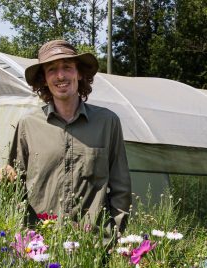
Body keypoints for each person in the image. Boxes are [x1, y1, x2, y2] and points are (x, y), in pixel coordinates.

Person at [7, 39, 131, 237]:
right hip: (41, 244)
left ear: (79, 73)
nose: (61, 75)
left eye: (67, 67)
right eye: (51, 70)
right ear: (44, 79)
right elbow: (14, 185)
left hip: (93, 245)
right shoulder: (28, 125)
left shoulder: (107, 123)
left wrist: (115, 236)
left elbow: (121, 187)